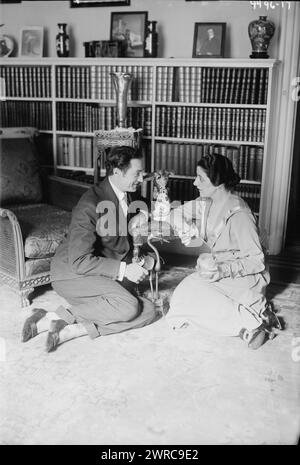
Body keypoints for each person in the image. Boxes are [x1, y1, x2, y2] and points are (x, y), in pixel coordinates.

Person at [21, 146, 159, 352]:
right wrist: (124, 270)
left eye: (142, 172)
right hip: (71, 272)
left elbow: (141, 211)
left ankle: (75, 329)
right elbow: (79, 261)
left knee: (148, 310)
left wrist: (144, 214)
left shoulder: (126, 192)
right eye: (137, 174)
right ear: (117, 173)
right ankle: (52, 317)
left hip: (98, 269)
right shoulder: (90, 203)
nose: (142, 178)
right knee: (128, 306)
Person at [166, 153, 281, 350]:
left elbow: (257, 261)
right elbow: (175, 213)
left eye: (200, 178)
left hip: (245, 275)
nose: (195, 183)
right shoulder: (206, 202)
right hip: (218, 268)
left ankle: (252, 323)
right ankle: (245, 322)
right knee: (181, 297)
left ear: (217, 182)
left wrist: (223, 272)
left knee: (194, 294)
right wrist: (190, 231)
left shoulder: (240, 214)